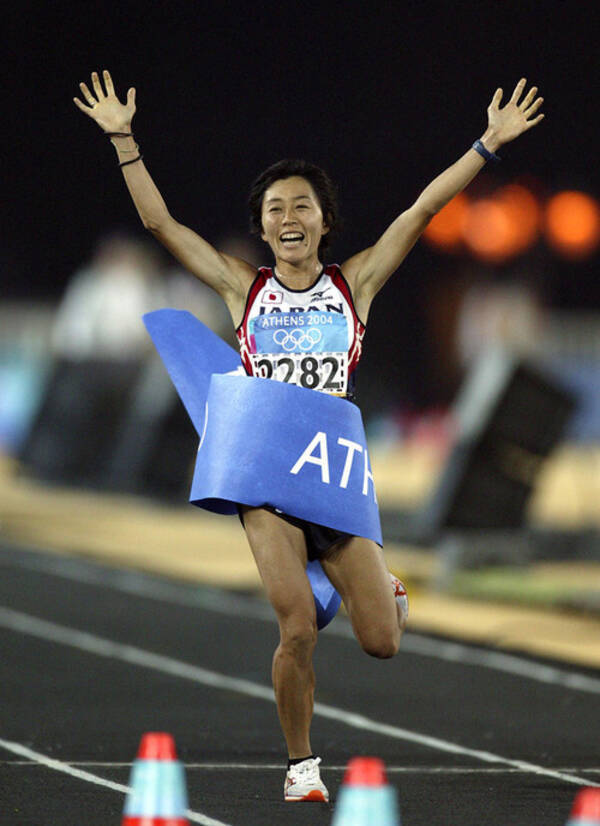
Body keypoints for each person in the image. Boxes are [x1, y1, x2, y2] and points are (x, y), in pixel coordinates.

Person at [74, 71, 544, 802]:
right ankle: (301, 765)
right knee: (297, 626)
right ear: (263, 228)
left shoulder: (353, 285)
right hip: (266, 476)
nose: (288, 216)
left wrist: (486, 145)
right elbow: (163, 226)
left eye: (302, 206)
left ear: (325, 222)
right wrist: (124, 140)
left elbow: (422, 210)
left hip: (334, 472)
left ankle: (376, 590)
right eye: (274, 208)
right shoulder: (244, 289)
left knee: (382, 642)